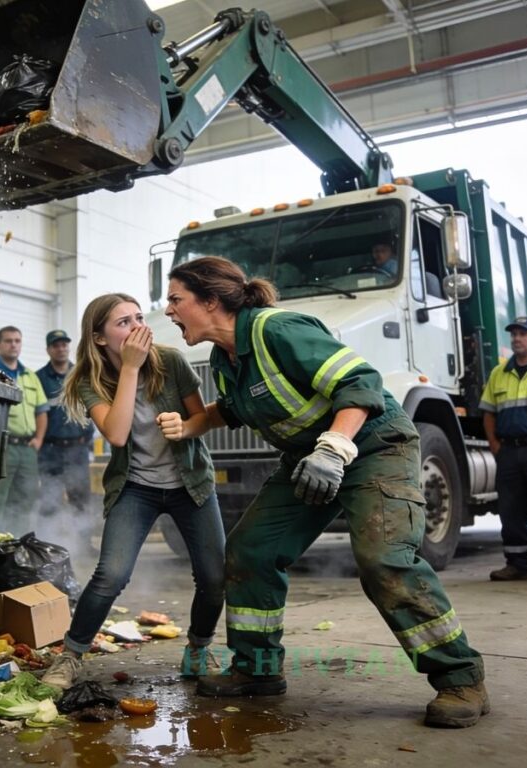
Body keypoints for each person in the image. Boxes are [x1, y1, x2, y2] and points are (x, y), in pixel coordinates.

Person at [162, 256, 487, 728]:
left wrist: (334, 448)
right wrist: (189, 425)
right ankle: (257, 670)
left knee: (383, 560)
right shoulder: (224, 357)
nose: (168, 311)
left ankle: (460, 677)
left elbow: (362, 382)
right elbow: (231, 409)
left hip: (374, 447)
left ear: (210, 300)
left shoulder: (278, 329)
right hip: (308, 461)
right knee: (251, 550)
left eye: (175, 300)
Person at [40, 293, 225, 689]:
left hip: (189, 483)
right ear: (100, 338)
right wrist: (129, 370)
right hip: (135, 487)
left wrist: (186, 426)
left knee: (214, 575)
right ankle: (70, 657)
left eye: (139, 317)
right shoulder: (91, 380)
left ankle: (198, 648)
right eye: (123, 322)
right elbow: (118, 434)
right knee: (111, 574)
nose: (138, 327)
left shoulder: (171, 361)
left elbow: (201, 418)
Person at [480, 315, 527, 581]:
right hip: (509, 452)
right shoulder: (499, 372)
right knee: (510, 508)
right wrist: (494, 445)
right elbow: (489, 412)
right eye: (514, 334)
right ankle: (517, 565)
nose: (517, 338)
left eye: (523, 333)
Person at [36, 329, 96, 551]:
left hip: (77, 449)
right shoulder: (39, 378)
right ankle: (47, 545)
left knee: (80, 498)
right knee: (49, 498)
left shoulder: (82, 375)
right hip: (50, 449)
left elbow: (93, 409)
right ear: (48, 349)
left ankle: (84, 544)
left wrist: (88, 439)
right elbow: (36, 414)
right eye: (56, 345)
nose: (61, 348)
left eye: (64, 344)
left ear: (69, 347)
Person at [0, 326, 49, 535]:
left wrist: (39, 439)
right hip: (2, 447)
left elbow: (41, 411)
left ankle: (17, 546)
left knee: (26, 498)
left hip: (27, 449)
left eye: (17, 340)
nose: (13, 344)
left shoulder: (30, 376)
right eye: (8, 341)